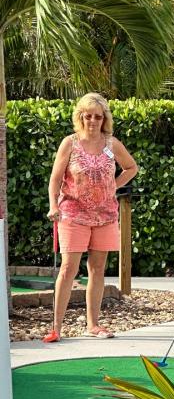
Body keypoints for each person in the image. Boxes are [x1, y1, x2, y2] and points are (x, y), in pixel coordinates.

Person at [43, 93, 138, 342]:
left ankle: (93, 325)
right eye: (88, 116)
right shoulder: (70, 143)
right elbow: (55, 179)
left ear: (104, 119)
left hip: (105, 215)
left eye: (98, 116)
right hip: (73, 214)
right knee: (68, 268)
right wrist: (53, 205)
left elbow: (131, 167)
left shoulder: (111, 143)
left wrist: (113, 186)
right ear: (81, 117)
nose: (93, 121)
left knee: (97, 268)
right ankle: (56, 327)